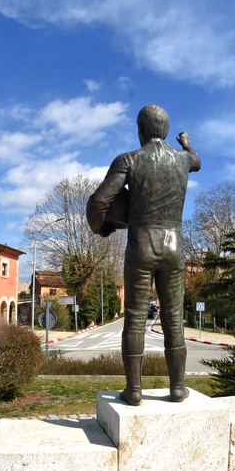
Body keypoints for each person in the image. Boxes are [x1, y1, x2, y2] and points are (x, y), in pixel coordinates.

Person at [87, 105, 201, 405]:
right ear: (165, 131)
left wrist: (102, 229)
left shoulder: (129, 159)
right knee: (174, 319)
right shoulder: (182, 160)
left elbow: (99, 201)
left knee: (135, 319)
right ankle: (177, 388)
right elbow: (196, 161)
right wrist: (186, 144)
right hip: (174, 247)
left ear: (140, 131)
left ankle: (134, 391)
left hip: (141, 246)